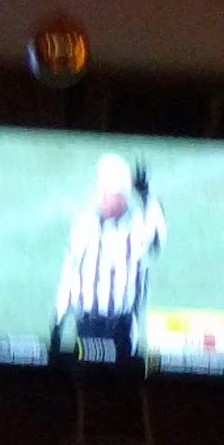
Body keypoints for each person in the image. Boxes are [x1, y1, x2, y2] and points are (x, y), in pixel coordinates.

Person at [53, 152, 166, 364]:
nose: (104, 198)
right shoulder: (85, 224)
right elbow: (70, 271)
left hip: (122, 327)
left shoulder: (138, 228)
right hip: (88, 323)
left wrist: (146, 195)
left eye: (110, 193)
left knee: (121, 377)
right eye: (103, 191)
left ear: (122, 197)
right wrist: (58, 319)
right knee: (87, 373)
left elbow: (159, 234)